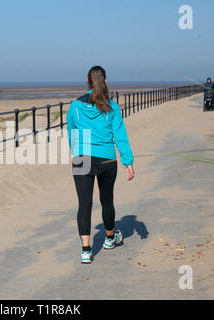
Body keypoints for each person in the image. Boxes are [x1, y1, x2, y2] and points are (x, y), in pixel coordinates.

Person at [67, 66, 135, 264]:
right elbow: (120, 135)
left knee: (84, 204)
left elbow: (71, 130)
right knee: (107, 200)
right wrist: (127, 161)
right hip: (106, 157)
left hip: (82, 155)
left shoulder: (75, 105)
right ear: (104, 82)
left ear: (87, 81)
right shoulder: (111, 106)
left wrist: (77, 151)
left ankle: (86, 250)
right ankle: (110, 238)